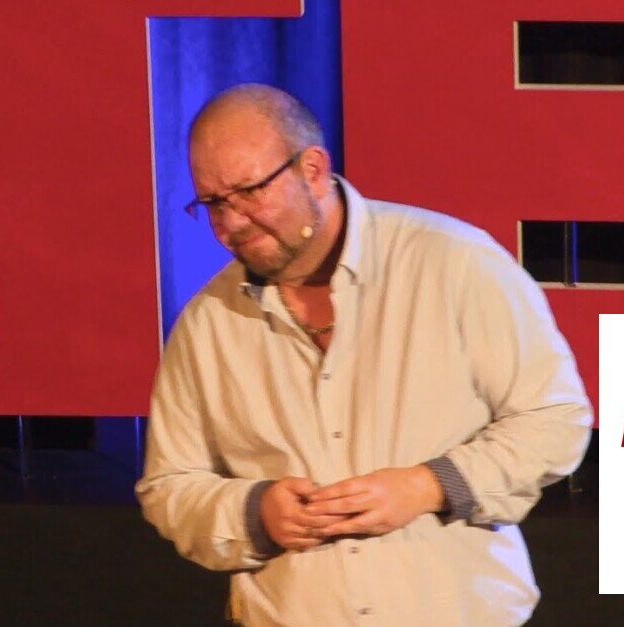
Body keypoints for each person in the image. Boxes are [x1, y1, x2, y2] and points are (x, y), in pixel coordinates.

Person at [135, 83, 593, 626]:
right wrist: (255, 513)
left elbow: (554, 418)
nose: (230, 223)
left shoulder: (453, 263)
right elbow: (170, 486)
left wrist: (429, 486)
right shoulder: (207, 322)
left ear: (312, 169)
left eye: (249, 192)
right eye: (213, 202)